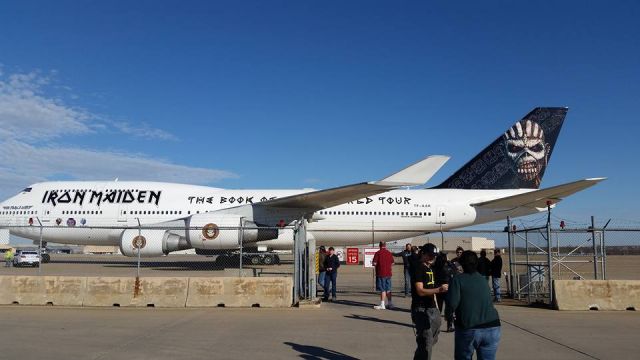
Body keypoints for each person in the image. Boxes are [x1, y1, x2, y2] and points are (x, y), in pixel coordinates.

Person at [446, 250, 501, 360]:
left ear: (461, 264)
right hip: (492, 327)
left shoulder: (458, 279)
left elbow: (452, 303)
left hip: (469, 327)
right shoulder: (483, 280)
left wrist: (448, 316)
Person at [411, 243, 448, 360]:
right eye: (431, 255)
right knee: (426, 341)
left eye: (435, 256)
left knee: (433, 338)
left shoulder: (431, 267)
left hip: (433, 307)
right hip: (421, 309)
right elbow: (420, 291)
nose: (433, 258)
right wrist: (439, 290)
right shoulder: (418, 267)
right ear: (423, 254)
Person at [432, 251, 454, 332]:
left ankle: (436, 326)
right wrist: (449, 261)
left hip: (439, 288)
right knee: (449, 308)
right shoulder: (448, 266)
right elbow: (454, 271)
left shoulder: (435, 266)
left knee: (438, 308)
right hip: (448, 288)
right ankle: (449, 325)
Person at [372, 241, 395, 310]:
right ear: (385, 245)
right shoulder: (389, 253)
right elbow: (393, 263)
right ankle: (390, 303)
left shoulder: (378, 253)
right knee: (388, 289)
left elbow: (375, 263)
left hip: (381, 273)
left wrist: (373, 263)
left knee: (382, 289)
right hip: (388, 273)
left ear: (379, 245)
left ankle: (382, 304)